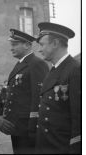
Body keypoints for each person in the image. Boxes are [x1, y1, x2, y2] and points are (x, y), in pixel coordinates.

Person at [35, 22, 81, 154]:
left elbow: (78, 118)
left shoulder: (75, 70)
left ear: (55, 44)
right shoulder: (54, 70)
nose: (39, 49)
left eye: (42, 44)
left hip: (61, 146)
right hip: (47, 143)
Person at [3, 29, 49, 154]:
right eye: (11, 44)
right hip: (17, 126)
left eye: (15, 44)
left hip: (28, 128)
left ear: (27, 45)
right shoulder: (20, 64)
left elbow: (39, 98)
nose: (11, 48)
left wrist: (34, 128)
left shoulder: (37, 64)